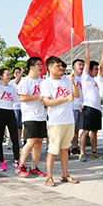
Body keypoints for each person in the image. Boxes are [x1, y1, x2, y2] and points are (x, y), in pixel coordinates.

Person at [40, 56, 80, 187]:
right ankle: (49, 177)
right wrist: (65, 99)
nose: (61, 68)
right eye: (58, 66)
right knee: (52, 149)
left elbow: (77, 95)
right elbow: (47, 102)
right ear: (50, 68)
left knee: (65, 148)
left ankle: (64, 174)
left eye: (62, 66)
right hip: (56, 121)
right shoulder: (47, 83)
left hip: (69, 119)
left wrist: (73, 82)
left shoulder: (66, 80)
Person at [16, 57, 47, 177]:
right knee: (31, 141)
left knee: (39, 142)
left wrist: (44, 100)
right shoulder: (25, 81)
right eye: (39, 64)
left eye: (42, 64)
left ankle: (34, 166)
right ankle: (21, 165)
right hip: (29, 115)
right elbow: (22, 98)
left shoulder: (42, 81)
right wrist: (38, 96)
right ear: (31, 67)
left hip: (41, 114)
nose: (41, 67)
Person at [80, 43, 102, 161]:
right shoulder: (86, 77)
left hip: (97, 109)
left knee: (94, 131)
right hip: (89, 107)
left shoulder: (94, 81)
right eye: (95, 69)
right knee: (86, 131)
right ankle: (82, 152)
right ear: (89, 70)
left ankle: (94, 151)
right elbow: (87, 61)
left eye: (98, 69)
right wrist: (87, 48)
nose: (97, 71)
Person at [0, 68, 20, 171]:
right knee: (0, 139)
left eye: (10, 75)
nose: (9, 77)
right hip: (0, 113)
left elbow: (17, 100)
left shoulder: (12, 88)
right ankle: (2, 162)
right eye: (7, 75)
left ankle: (17, 160)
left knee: (15, 138)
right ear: (1, 76)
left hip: (10, 112)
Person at [69, 59, 85, 157]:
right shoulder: (69, 78)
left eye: (82, 65)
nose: (81, 66)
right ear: (74, 66)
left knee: (77, 129)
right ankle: (67, 147)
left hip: (81, 107)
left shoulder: (84, 78)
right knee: (71, 129)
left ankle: (75, 147)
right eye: (79, 64)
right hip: (72, 107)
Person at [9, 67, 24, 147]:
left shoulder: (24, 81)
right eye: (16, 73)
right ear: (14, 74)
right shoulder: (11, 82)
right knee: (14, 125)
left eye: (19, 72)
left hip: (23, 105)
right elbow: (16, 81)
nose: (18, 74)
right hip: (15, 106)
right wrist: (22, 72)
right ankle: (11, 141)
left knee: (20, 125)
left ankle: (19, 140)